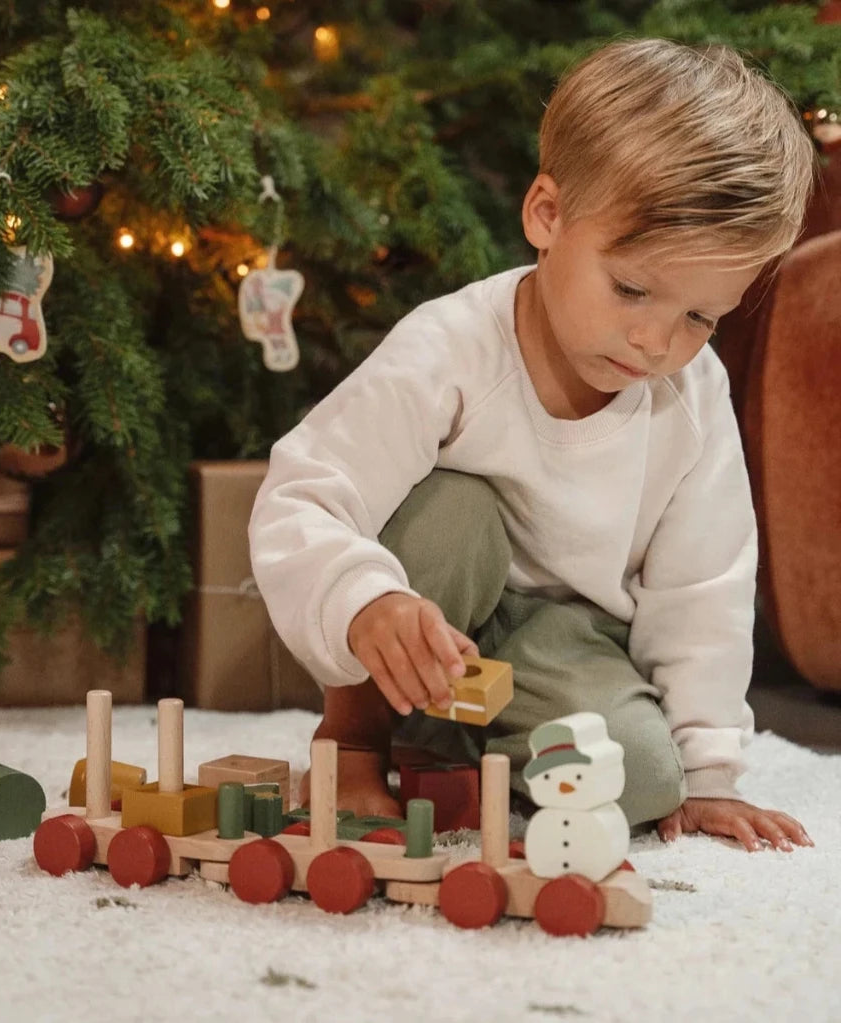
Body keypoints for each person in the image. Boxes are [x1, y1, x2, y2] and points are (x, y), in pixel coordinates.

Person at [248, 37, 817, 852]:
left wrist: (709, 771)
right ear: (546, 215)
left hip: (568, 641)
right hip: (432, 599)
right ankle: (361, 740)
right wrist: (366, 600)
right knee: (454, 514)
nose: (657, 341)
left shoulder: (691, 400)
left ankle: (452, 751)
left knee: (647, 781)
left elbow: (705, 588)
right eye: (631, 288)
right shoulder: (450, 346)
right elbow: (305, 491)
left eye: (700, 317)